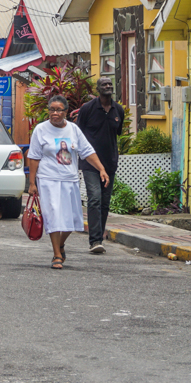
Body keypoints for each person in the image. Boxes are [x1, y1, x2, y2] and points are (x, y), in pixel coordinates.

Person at [28, 95, 110, 270]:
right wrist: (32, 183)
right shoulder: (41, 130)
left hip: (70, 179)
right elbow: (34, 157)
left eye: (59, 110)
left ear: (66, 112)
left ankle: (61, 244)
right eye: (52, 109)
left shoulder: (73, 129)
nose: (55, 113)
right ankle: (57, 254)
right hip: (48, 179)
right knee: (53, 216)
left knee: (72, 220)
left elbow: (87, 151)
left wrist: (101, 169)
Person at [77, 77, 125, 254]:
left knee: (105, 202)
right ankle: (95, 240)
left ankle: (100, 238)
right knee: (95, 198)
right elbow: (78, 134)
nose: (108, 87)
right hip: (90, 163)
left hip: (110, 162)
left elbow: (116, 134)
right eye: (104, 85)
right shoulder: (87, 109)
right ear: (97, 89)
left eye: (110, 84)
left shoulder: (118, 110)